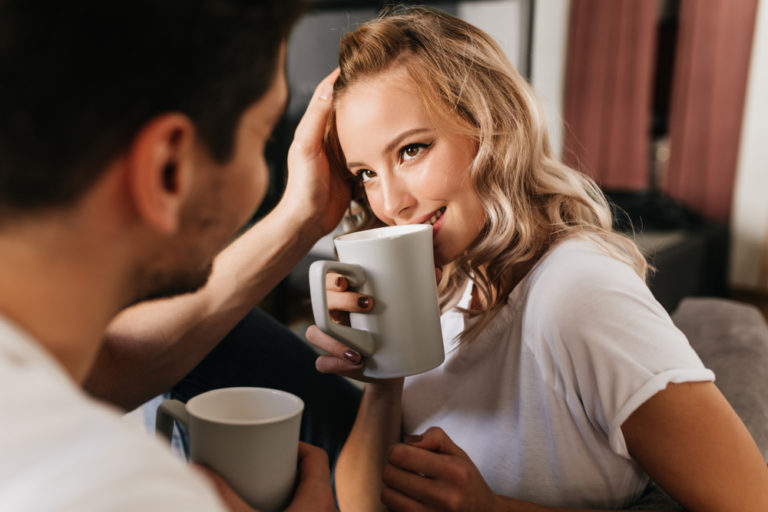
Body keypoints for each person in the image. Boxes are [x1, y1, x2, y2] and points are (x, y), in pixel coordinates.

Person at [305, 6, 768, 511]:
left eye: (412, 150)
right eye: (366, 173)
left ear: (489, 126)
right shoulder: (446, 283)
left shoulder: (579, 292)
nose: (391, 203)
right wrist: (385, 374)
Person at [0, 0, 347, 510]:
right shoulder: (122, 489)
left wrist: (305, 217)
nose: (262, 176)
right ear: (169, 169)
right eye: (262, 136)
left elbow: (111, 365)